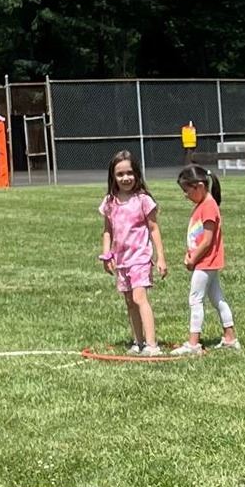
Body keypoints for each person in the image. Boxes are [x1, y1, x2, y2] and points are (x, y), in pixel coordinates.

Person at [99, 151, 168, 355]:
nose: (125, 178)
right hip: (122, 260)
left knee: (139, 298)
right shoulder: (110, 202)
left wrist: (160, 257)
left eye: (129, 173)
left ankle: (152, 345)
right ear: (113, 177)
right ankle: (138, 342)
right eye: (120, 174)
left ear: (137, 174)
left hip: (140, 258)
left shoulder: (143, 200)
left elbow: (154, 229)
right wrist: (106, 254)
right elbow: (108, 230)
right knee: (129, 302)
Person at [171, 164, 239, 355]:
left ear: (199, 186)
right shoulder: (203, 205)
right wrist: (190, 254)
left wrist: (193, 259)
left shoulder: (209, 207)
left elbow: (207, 240)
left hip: (206, 262)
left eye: (187, 190)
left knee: (195, 299)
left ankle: (193, 343)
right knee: (217, 299)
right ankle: (230, 337)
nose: (185, 195)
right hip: (206, 262)